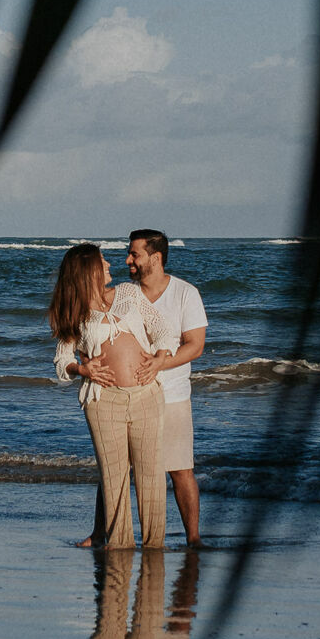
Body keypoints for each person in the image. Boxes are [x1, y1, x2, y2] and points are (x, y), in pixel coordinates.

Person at [50, 243, 177, 549]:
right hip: (103, 401)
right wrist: (84, 369)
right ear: (88, 270)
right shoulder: (76, 314)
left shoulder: (129, 294)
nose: (109, 263)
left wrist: (159, 360)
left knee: (151, 478)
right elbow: (61, 361)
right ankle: (118, 548)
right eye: (101, 260)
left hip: (146, 395)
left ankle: (154, 546)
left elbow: (162, 330)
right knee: (114, 479)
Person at [125, 229, 208, 546]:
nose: (128, 259)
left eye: (135, 254)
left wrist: (160, 364)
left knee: (180, 469)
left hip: (172, 396)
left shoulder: (185, 294)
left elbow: (195, 346)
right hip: (131, 397)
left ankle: (194, 537)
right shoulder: (126, 295)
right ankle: (109, 533)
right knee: (123, 472)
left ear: (155, 258)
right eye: (130, 253)